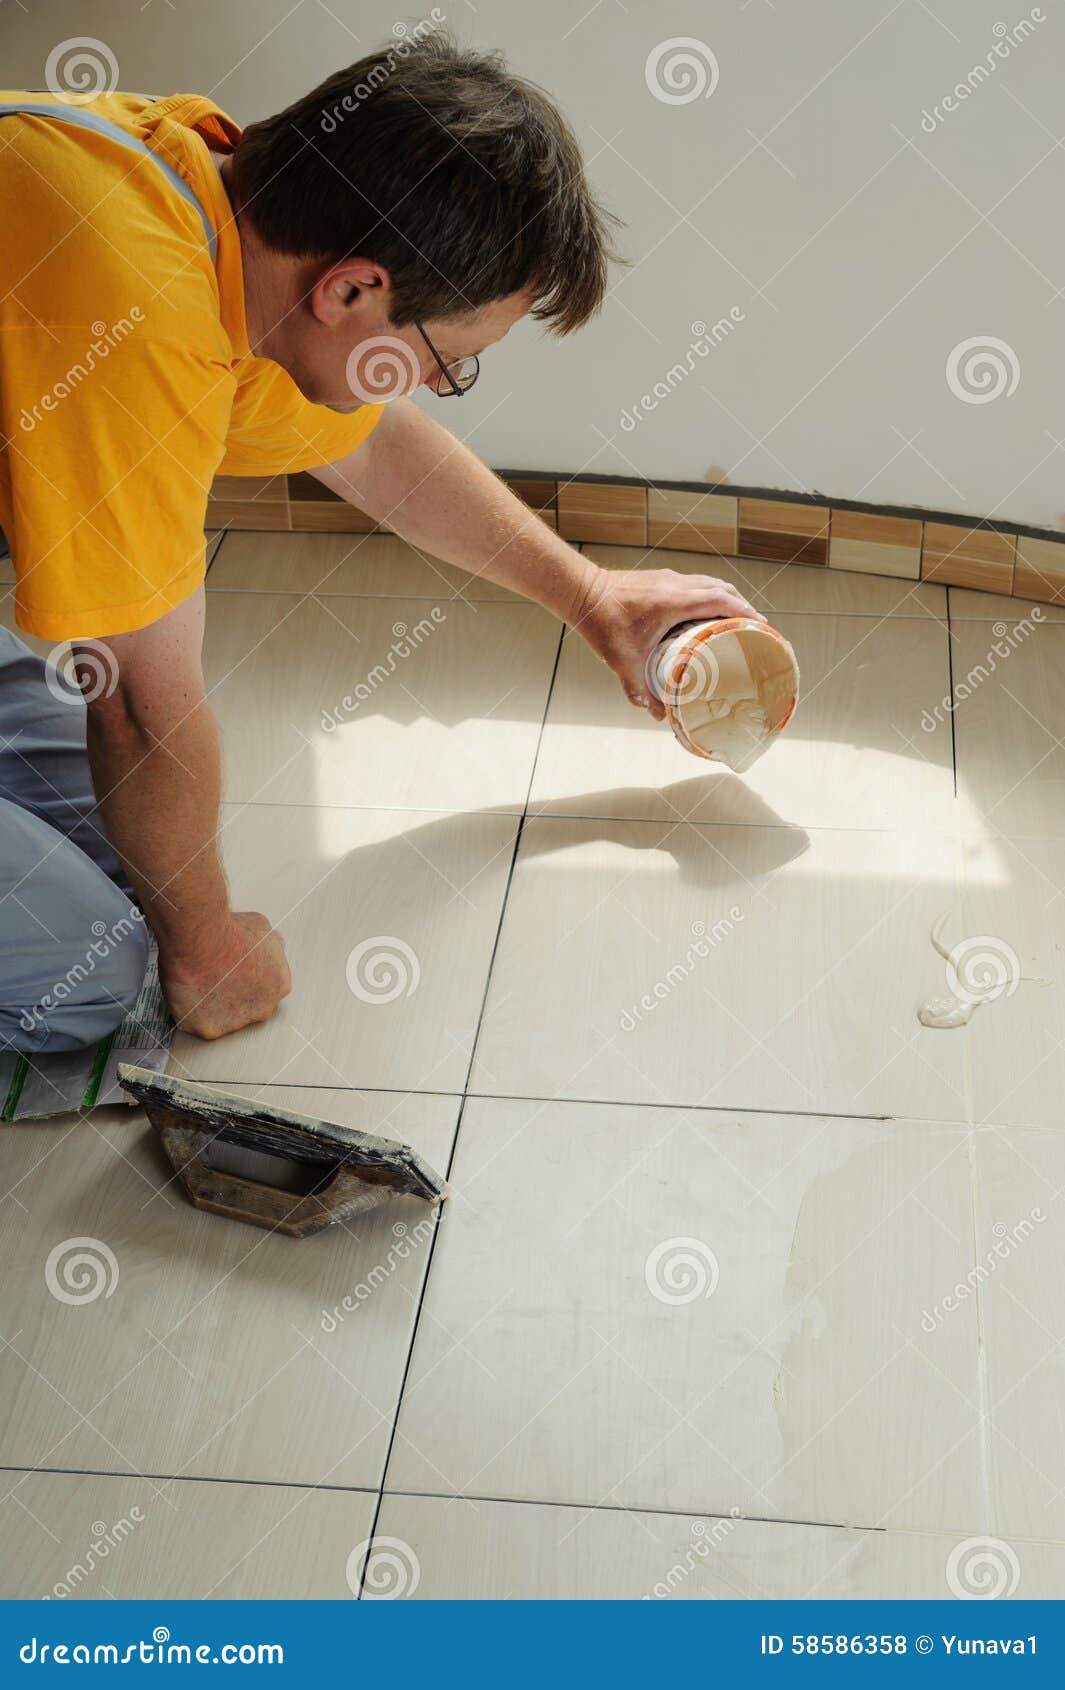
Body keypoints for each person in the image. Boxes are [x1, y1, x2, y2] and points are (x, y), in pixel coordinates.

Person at [0, 31, 759, 1058]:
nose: (437, 389)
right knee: (97, 976)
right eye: (448, 363)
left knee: (129, 849)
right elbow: (138, 708)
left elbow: (374, 450)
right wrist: (206, 950)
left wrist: (592, 597)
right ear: (351, 291)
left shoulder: (212, 210)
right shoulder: (130, 303)